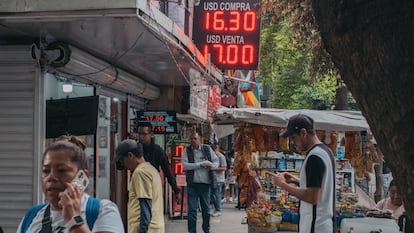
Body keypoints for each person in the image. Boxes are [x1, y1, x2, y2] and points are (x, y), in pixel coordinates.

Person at [17, 136, 124, 233]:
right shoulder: (32, 216)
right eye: (46, 171)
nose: (51, 177)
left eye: (61, 170)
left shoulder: (103, 211)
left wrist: (74, 220)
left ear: (82, 176)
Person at [270, 114, 336, 233]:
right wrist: (297, 181)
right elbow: (321, 186)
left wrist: (283, 185)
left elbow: (312, 197)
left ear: (303, 133)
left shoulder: (314, 157)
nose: (293, 143)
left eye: (294, 138)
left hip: (315, 226)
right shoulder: (326, 151)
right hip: (324, 224)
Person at [115, 139, 164, 233]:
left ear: (130, 156)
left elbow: (145, 205)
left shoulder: (140, 173)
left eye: (122, 160)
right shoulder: (151, 169)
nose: (123, 164)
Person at [181, 132, 219, 233]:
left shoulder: (206, 149)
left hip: (205, 185)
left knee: (206, 211)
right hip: (192, 185)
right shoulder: (187, 150)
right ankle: (192, 231)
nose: (193, 141)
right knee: (192, 211)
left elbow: (216, 162)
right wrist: (200, 165)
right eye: (192, 139)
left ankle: (206, 229)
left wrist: (211, 165)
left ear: (200, 139)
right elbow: (185, 165)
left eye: (195, 139)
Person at [138, 125, 181, 203]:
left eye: (144, 134)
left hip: (152, 187)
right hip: (137, 186)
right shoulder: (135, 149)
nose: (141, 137)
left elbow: (167, 171)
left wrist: (176, 190)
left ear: (151, 134)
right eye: (140, 134)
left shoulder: (157, 151)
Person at [210, 144, 227, 217]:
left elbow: (224, 168)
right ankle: (216, 208)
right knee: (212, 194)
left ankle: (218, 210)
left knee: (217, 194)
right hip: (212, 178)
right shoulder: (212, 157)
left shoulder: (221, 157)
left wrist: (214, 168)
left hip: (219, 179)